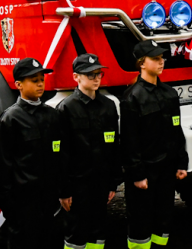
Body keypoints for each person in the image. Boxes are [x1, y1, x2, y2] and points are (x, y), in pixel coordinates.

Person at [120, 40, 188, 249]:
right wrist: (137, 174)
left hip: (167, 170)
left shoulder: (170, 94)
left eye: (162, 58)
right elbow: (130, 140)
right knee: (140, 222)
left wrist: (181, 163)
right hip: (146, 172)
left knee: (164, 219)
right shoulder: (132, 97)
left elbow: (177, 131)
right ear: (142, 63)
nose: (161, 62)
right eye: (155, 59)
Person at [0, 58, 63, 249]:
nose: (40, 83)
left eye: (42, 79)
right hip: (24, 205)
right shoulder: (10, 120)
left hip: (49, 203)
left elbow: (59, 157)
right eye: (34, 80)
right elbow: (4, 167)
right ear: (19, 84)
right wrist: (10, 208)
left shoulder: (52, 116)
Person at [58, 53, 121, 249]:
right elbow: (62, 154)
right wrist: (64, 191)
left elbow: (113, 147)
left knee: (98, 232)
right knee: (76, 232)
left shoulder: (109, 106)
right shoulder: (66, 109)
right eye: (90, 74)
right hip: (78, 185)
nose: (96, 78)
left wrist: (113, 182)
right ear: (76, 77)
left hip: (101, 182)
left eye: (98, 74)